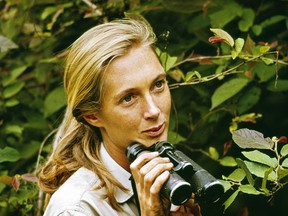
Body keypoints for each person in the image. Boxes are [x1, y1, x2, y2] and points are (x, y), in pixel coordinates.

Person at [38, 14, 201, 216]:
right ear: (92, 116)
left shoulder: (172, 182)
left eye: (158, 85)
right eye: (128, 98)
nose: (153, 110)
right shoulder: (75, 208)